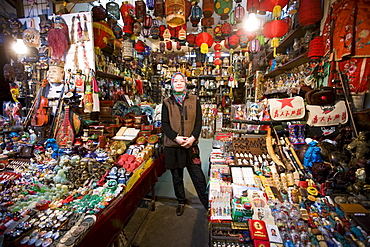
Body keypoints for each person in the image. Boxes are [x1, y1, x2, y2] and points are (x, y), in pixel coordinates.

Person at [161, 72, 208, 216]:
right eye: (176, 81)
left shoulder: (194, 100)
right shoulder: (166, 102)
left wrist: (193, 138)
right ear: (172, 84)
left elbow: (199, 122)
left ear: (185, 83)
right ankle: (181, 201)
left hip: (191, 146)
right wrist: (176, 138)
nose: (179, 83)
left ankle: (207, 205)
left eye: (182, 81)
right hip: (173, 147)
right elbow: (165, 125)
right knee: (177, 177)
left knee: (198, 177)